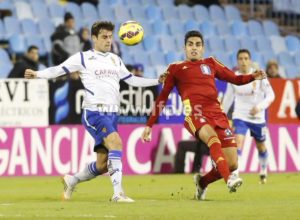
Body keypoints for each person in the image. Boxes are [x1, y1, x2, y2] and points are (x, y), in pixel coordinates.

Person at [25, 21, 165, 203]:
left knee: (102, 165)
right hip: (94, 112)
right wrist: (38, 74)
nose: (108, 40)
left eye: (110, 37)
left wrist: (156, 81)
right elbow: (58, 70)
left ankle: (71, 180)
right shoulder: (83, 58)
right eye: (104, 37)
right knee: (116, 142)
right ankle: (118, 194)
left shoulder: (116, 59)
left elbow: (131, 80)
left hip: (112, 114)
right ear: (94, 38)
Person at [141, 30, 266, 201]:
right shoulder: (175, 68)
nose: (194, 48)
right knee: (212, 139)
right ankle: (229, 179)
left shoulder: (211, 63)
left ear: (203, 48)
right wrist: (149, 125)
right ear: (184, 47)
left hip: (217, 114)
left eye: (198, 45)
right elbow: (162, 98)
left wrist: (253, 76)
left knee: (232, 163)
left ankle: (202, 183)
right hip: (195, 114)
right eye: (190, 44)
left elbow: (235, 79)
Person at [222, 49, 275, 184]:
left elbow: (271, 95)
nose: (243, 61)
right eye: (240, 59)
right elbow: (228, 99)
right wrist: (221, 115)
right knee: (238, 142)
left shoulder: (260, 75)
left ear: (250, 60)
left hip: (257, 118)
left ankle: (263, 172)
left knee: (261, 146)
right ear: (237, 61)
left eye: (246, 58)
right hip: (240, 116)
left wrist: (259, 107)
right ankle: (235, 175)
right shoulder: (233, 78)